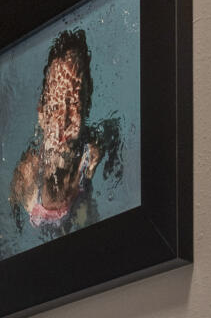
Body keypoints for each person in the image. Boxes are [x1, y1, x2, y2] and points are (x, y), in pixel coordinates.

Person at [9, 28, 125, 238]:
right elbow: (9, 226)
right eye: (54, 109)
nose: (63, 121)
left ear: (87, 108)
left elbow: (112, 129)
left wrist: (113, 162)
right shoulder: (28, 175)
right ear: (41, 116)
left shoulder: (89, 156)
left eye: (73, 104)